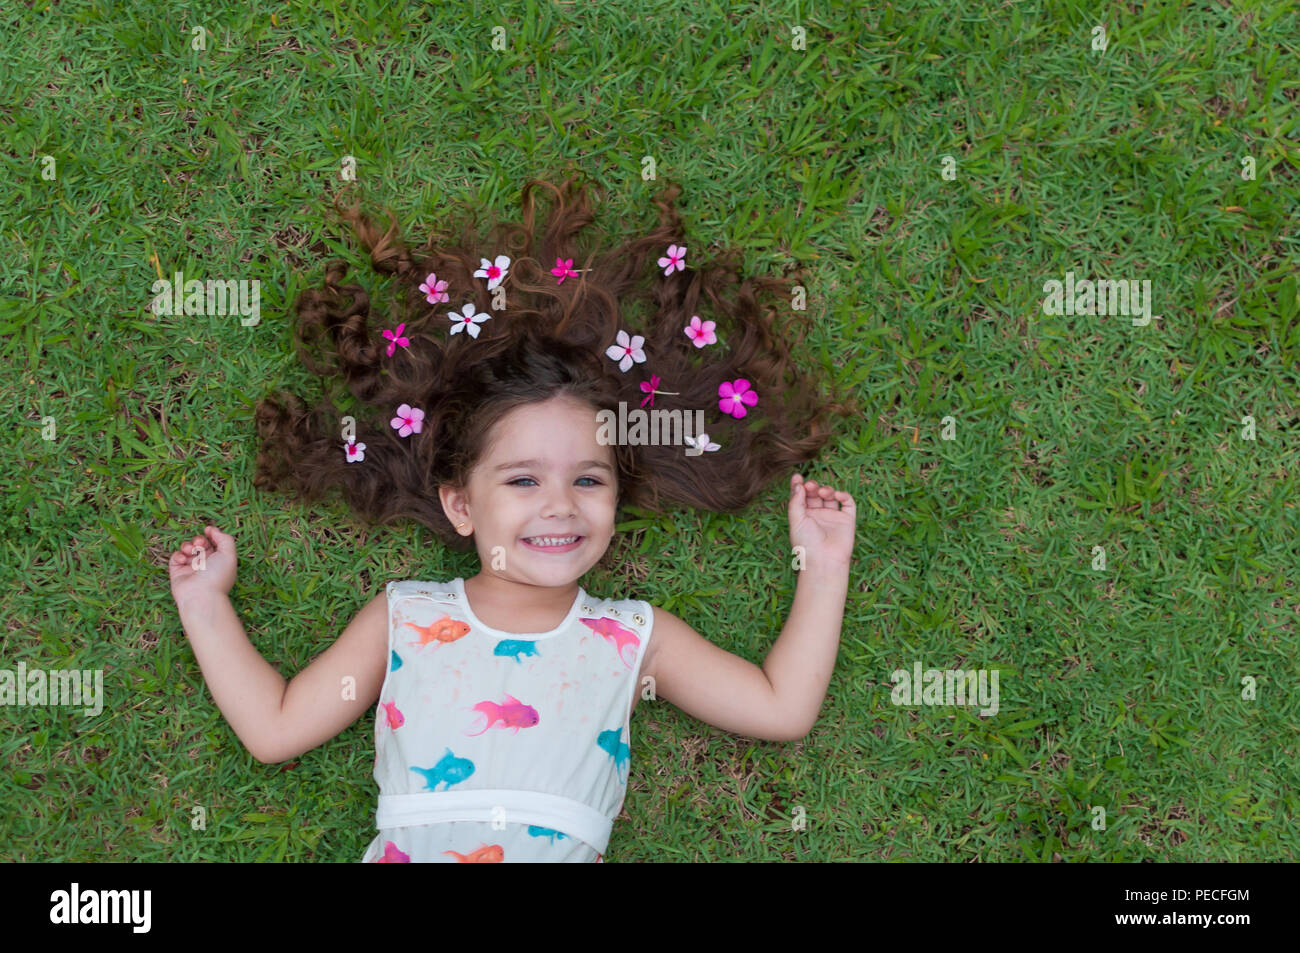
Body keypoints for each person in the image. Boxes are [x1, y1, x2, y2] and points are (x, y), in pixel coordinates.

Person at [167, 173, 859, 862]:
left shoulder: (635, 639)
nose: (560, 504)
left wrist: (822, 566)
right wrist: (205, 603)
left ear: (616, 496)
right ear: (461, 504)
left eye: (588, 478)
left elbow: (780, 708)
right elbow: (274, 727)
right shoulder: (402, 619)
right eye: (523, 479)